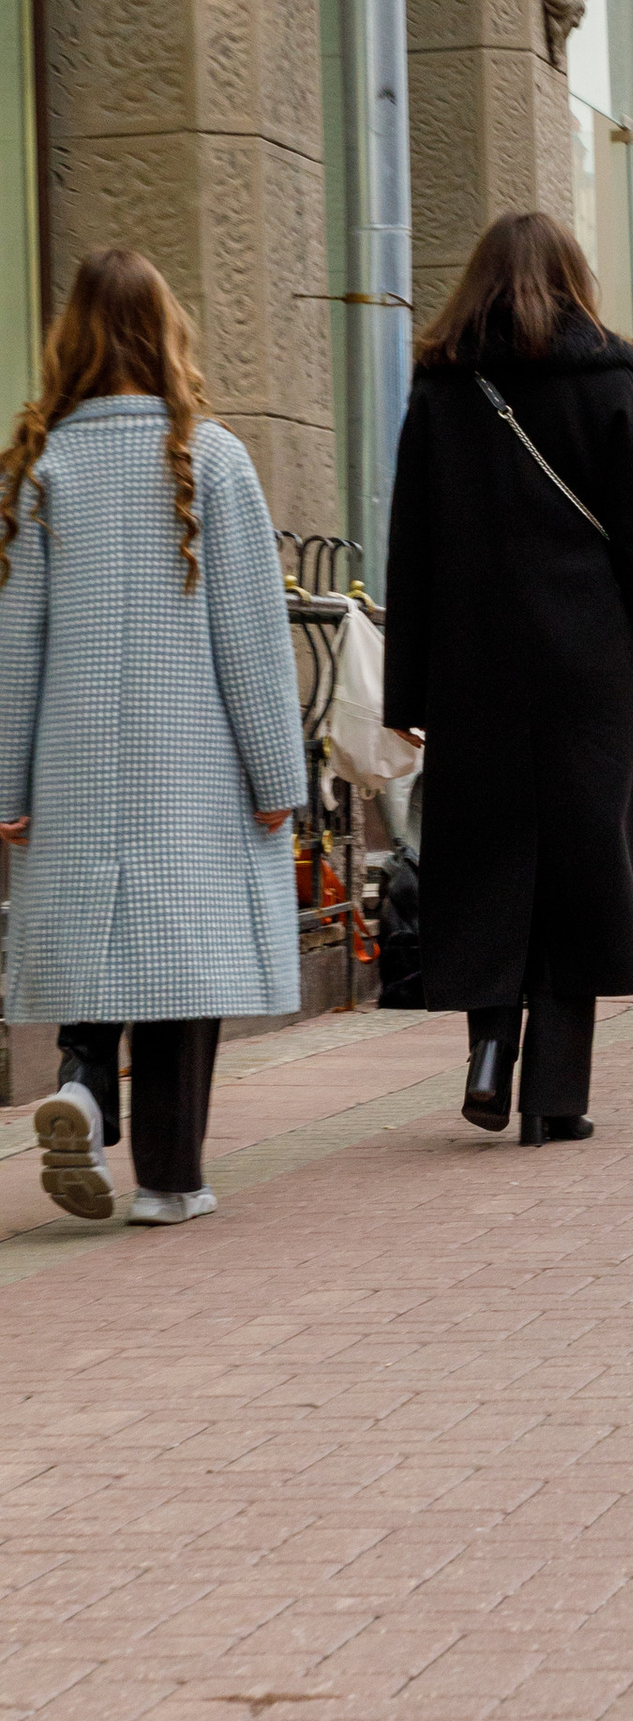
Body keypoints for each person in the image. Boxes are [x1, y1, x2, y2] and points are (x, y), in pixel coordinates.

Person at [0, 249, 308, 1227]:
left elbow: (13, 642)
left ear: (71, 340)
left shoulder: (38, 467)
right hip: (195, 767)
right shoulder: (211, 459)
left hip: (74, 761)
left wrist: (7, 786)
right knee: (184, 960)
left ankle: (84, 1090)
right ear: (169, 334)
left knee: (95, 943)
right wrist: (276, 774)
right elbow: (251, 639)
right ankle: (169, 1183)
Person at [383, 212, 633, 1148]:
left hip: (473, 663)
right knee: (580, 863)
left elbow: (412, 549)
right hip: (590, 662)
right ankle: (555, 1097)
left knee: (485, 855)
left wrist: (406, 692)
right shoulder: (611, 381)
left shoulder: (441, 385)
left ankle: (489, 1052)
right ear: (573, 278)